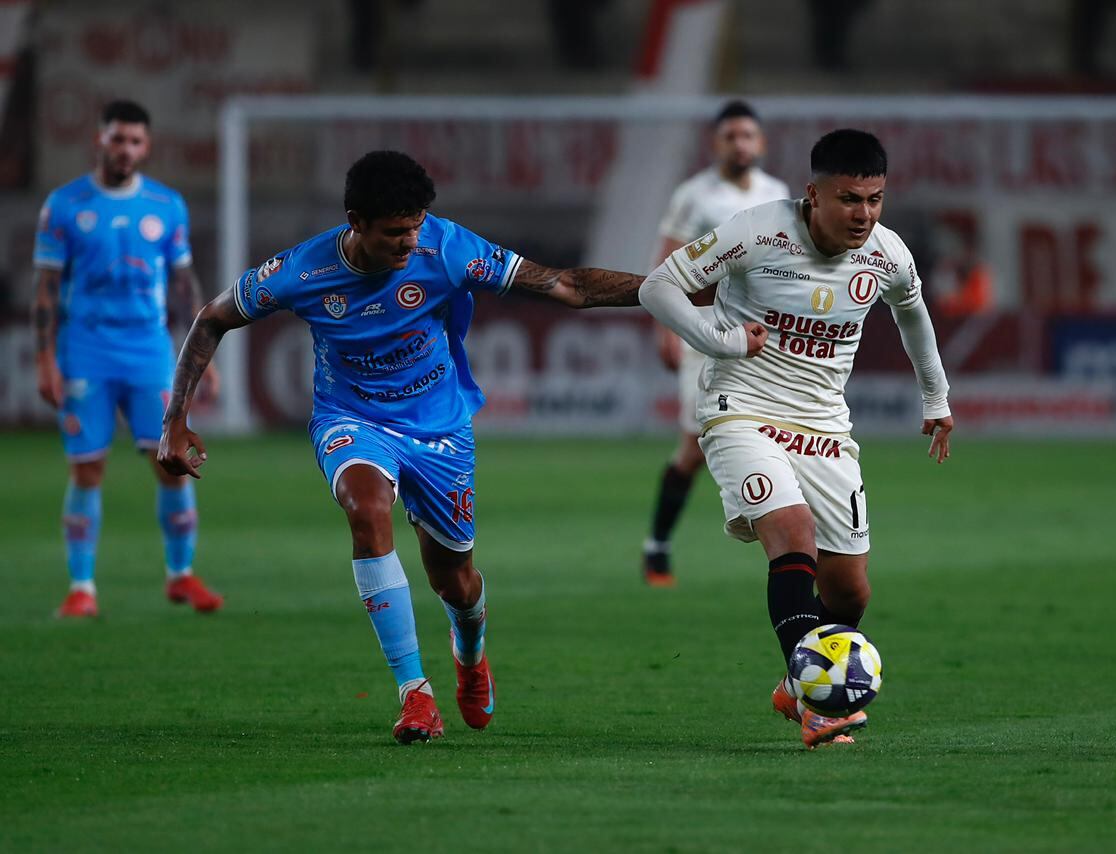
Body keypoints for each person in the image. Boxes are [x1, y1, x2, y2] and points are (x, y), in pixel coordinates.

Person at [156, 150, 643, 745]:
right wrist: (174, 421)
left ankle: (470, 653)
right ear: (355, 221)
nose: (409, 242)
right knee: (366, 510)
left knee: (454, 577)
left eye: (415, 227)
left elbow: (563, 285)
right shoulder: (301, 271)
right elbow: (211, 319)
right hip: (350, 418)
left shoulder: (449, 247)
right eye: (394, 232)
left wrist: (670, 292)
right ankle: (416, 694)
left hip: (440, 430)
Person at [638, 129, 953, 748]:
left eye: (875, 199)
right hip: (740, 408)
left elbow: (912, 314)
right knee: (792, 537)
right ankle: (816, 704)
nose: (863, 214)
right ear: (812, 194)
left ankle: (794, 682)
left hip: (825, 424)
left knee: (850, 590)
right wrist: (719, 340)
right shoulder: (756, 232)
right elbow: (657, 286)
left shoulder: (888, 254)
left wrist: (936, 396)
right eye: (848, 199)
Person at [32, 99, 222, 619]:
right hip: (86, 352)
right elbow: (46, 290)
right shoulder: (65, 205)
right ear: (100, 140)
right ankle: (81, 588)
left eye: (135, 141)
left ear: (147, 146)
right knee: (87, 469)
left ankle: (181, 576)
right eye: (117, 139)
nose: (126, 149)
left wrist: (204, 359)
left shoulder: (166, 205)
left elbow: (185, 289)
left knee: (172, 465)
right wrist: (45, 358)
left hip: (148, 351)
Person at [642, 100, 790, 586]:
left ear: (761, 143)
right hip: (702, 330)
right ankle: (658, 545)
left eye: (748, 135)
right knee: (695, 446)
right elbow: (665, 263)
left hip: (761, 335)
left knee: (774, 434)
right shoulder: (694, 195)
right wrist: (665, 328)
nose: (740, 143)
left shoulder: (777, 193)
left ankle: (781, 542)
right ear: (716, 143)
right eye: (731, 136)